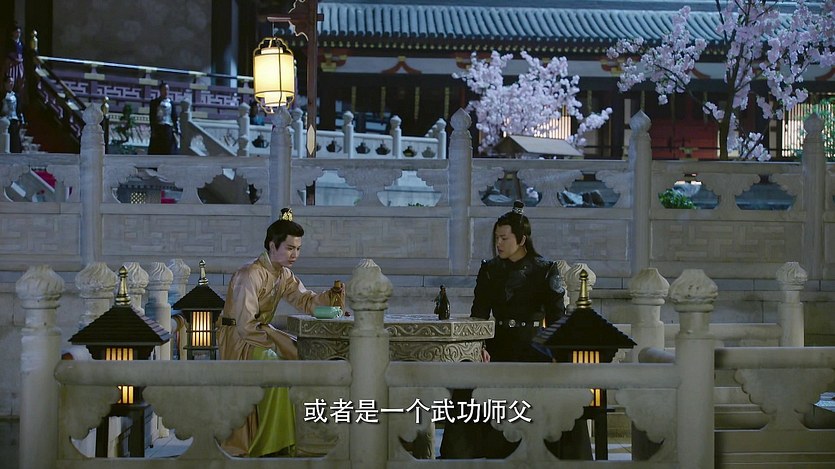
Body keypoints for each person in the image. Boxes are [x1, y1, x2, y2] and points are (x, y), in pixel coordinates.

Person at [439, 200, 567, 459]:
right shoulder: (490, 269)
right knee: (467, 382)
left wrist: (557, 353)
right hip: (496, 345)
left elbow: (557, 319)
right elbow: (479, 315)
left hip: (533, 347)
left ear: (522, 239)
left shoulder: (545, 269)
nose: (498, 243)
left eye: (504, 238)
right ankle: (462, 454)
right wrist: (480, 346)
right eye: (496, 238)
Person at [216, 208, 345, 458]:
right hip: (240, 340)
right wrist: (276, 342)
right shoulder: (249, 274)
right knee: (276, 367)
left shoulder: (283, 275)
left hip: (260, 334)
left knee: (297, 356)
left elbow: (305, 300)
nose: (294, 254)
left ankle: (285, 441)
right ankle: (265, 443)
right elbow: (244, 325)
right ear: (272, 245)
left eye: (298, 249)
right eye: (289, 248)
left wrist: (330, 299)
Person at [148, 81, 179, 154]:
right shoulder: (155, 102)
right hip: (158, 128)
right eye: (164, 89)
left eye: (167, 89)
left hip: (168, 128)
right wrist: (153, 129)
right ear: (160, 91)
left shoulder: (171, 103)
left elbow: (174, 117)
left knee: (169, 149)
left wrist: (177, 129)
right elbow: (152, 117)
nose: (166, 91)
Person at [2, 24, 25, 100]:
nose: (18, 34)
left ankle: (19, 99)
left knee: (20, 80)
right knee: (10, 79)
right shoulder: (9, 42)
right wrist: (14, 59)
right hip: (11, 64)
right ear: (13, 33)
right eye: (16, 32)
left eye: (19, 32)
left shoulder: (21, 43)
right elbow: (7, 53)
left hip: (19, 64)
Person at [1, 74, 22, 153]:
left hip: (14, 120)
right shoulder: (1, 95)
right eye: (9, 82)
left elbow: (19, 109)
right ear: (5, 83)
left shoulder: (16, 95)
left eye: (12, 82)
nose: (11, 84)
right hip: (4, 120)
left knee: (15, 141)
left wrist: (20, 119)